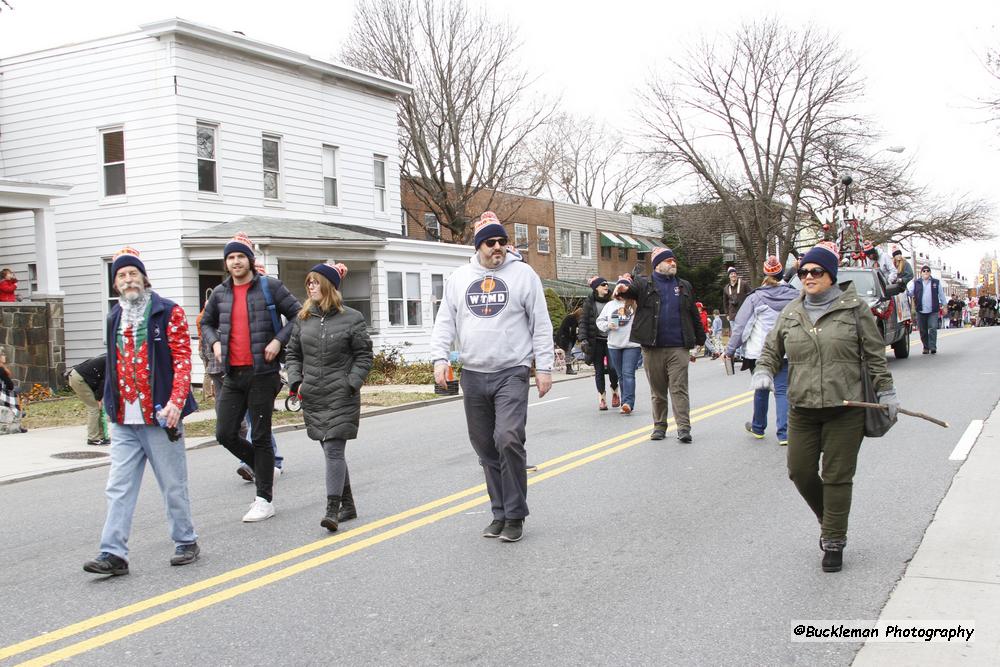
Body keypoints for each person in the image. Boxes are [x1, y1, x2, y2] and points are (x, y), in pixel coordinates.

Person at [755, 241, 898, 573]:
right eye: (803, 272)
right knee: (800, 471)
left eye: (816, 271)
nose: (808, 276)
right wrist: (763, 370)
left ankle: (834, 540)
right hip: (802, 407)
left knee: (836, 476)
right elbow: (772, 348)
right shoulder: (792, 311)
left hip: (845, 406)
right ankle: (828, 518)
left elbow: (875, 356)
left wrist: (887, 393)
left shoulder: (854, 309)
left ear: (830, 275)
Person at [429, 211, 553, 543]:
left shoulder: (524, 275)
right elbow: (445, 322)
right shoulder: (459, 278)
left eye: (502, 241)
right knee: (485, 447)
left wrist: (543, 367)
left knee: (509, 438)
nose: (497, 247)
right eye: (490, 242)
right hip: (473, 373)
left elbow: (540, 324)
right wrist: (440, 358)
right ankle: (499, 511)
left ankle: (515, 515)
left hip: (511, 371)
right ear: (478, 246)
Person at [83, 247, 200, 576]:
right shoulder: (114, 318)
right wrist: (108, 407)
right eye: (121, 275)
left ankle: (186, 540)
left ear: (144, 278)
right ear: (115, 284)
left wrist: (177, 401)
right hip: (123, 418)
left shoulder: (168, 312)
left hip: (161, 416)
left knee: (172, 484)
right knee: (118, 486)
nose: (128, 279)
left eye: (133, 273)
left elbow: (181, 361)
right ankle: (113, 553)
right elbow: (113, 367)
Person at [200, 232, 301, 522]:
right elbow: (206, 323)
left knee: (259, 436)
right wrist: (216, 343)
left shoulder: (270, 287)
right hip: (233, 373)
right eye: (230, 258)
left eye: (240, 256)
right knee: (225, 433)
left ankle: (264, 499)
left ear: (250, 260)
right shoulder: (220, 293)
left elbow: (298, 316)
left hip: (263, 374)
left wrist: (278, 341)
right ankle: (265, 468)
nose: (235, 262)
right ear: (226, 263)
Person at [285, 262, 373, 532]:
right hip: (313, 394)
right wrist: (296, 381)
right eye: (308, 282)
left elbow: (364, 355)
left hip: (341, 394)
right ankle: (348, 505)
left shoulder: (352, 318)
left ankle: (332, 510)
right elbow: (292, 354)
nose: (310, 286)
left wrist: (352, 382)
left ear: (329, 286)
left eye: (315, 282)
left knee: (334, 449)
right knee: (329, 450)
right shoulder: (303, 319)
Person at [619, 247, 705, 442]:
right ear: (658, 264)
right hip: (652, 347)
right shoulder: (643, 284)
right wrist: (623, 288)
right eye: (669, 261)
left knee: (679, 388)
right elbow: (628, 290)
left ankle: (684, 428)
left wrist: (700, 339)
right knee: (658, 391)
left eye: (674, 260)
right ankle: (659, 426)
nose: (673, 263)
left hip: (678, 347)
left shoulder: (684, 286)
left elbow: (693, 313)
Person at [724, 256, 798, 445]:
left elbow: (741, 327)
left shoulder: (755, 298)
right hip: (786, 350)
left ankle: (758, 427)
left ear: (765, 274)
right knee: (782, 391)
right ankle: (785, 434)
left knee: (762, 388)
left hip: (760, 352)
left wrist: (731, 349)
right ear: (782, 274)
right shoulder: (794, 296)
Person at [596, 277, 642, 414]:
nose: (621, 294)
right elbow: (600, 321)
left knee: (628, 373)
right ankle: (624, 402)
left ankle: (628, 402)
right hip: (614, 345)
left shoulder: (635, 304)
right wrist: (607, 325)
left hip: (632, 344)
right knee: (621, 375)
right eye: (619, 290)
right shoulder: (610, 305)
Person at [578, 276, 620, 410]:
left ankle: (615, 391)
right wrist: (583, 339)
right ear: (596, 287)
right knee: (599, 370)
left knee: (613, 368)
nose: (606, 286)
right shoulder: (589, 302)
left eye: (607, 284)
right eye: (603, 285)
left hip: (611, 339)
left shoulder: (613, 300)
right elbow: (583, 322)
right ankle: (602, 397)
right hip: (595, 341)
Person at [67, 354, 110, 445]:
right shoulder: (111, 361)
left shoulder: (109, 358)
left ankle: (102, 436)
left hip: (84, 378)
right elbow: (104, 381)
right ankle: (93, 438)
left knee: (98, 408)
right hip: (79, 379)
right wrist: (99, 398)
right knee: (94, 407)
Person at [907, 265, 947, 354]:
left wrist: (944, 306)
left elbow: (941, 295)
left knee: (932, 328)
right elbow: (909, 293)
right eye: (924, 271)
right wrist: (904, 291)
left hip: (933, 310)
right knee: (923, 330)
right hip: (920, 310)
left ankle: (932, 346)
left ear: (930, 273)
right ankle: (926, 347)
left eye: (927, 271)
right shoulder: (916, 283)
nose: (926, 272)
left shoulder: (936, 283)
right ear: (921, 273)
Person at [0, 346, 27, 434]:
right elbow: (10, 385)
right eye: (3, 354)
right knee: (16, 391)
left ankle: (19, 412)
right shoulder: (1, 369)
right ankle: (18, 414)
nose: (5, 356)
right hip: (1, 394)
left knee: (16, 391)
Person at [555, 307, 583, 375]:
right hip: (565, 338)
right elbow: (568, 329)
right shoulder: (570, 318)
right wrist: (574, 335)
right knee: (568, 353)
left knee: (568, 353)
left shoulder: (574, 319)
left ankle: (569, 368)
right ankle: (568, 368)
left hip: (568, 338)